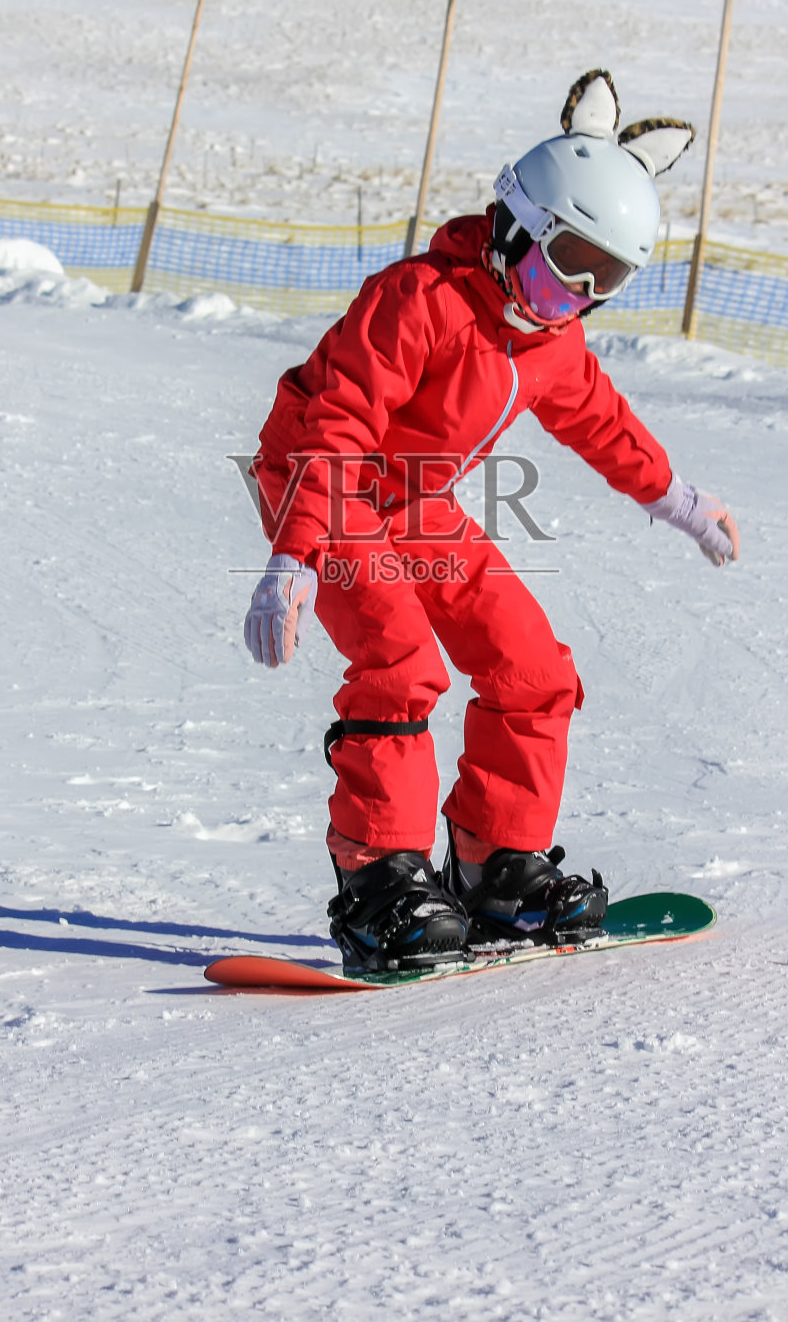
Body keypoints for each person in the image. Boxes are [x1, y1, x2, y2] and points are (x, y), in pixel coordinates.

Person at [243, 70, 739, 976]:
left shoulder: (549, 342)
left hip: (415, 497)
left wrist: (678, 501)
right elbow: (338, 421)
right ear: (515, 225)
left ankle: (493, 868)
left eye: (605, 278)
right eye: (566, 263)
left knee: (531, 664)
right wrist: (295, 555)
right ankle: (378, 886)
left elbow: (601, 422)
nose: (576, 294)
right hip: (324, 481)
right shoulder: (418, 301)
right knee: (398, 660)